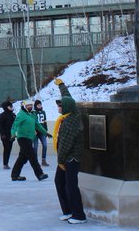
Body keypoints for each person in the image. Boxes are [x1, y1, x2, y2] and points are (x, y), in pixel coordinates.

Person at [53, 78, 87, 224]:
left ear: (66, 108)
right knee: (59, 181)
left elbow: (65, 144)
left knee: (71, 185)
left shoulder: (69, 123)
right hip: (66, 157)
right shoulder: (72, 112)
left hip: (70, 158)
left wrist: (60, 161)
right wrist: (61, 85)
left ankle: (79, 215)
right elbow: (69, 98)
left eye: (60, 106)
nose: (58, 108)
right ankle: (68, 211)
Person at [11, 99, 49, 182]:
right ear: (24, 106)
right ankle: (40, 174)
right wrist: (13, 134)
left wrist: (46, 133)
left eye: (30, 105)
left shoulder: (32, 114)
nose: (29, 107)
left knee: (22, 158)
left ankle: (15, 175)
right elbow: (15, 125)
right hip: (23, 138)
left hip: (29, 139)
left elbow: (37, 125)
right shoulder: (21, 115)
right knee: (32, 157)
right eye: (28, 105)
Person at [0, 100, 16, 169]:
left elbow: (16, 124)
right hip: (5, 136)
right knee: (6, 149)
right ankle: (5, 164)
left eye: (11, 106)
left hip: (12, 135)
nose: (11, 107)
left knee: (9, 149)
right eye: (9, 106)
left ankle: (6, 163)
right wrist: (2, 134)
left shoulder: (13, 115)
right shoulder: (2, 115)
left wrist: (15, 133)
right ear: (6, 107)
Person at [33, 99, 50, 166]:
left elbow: (45, 122)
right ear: (35, 106)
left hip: (42, 132)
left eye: (40, 105)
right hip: (35, 133)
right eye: (38, 105)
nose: (39, 106)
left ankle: (43, 160)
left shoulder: (43, 112)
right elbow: (32, 123)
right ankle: (35, 161)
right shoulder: (33, 113)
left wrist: (46, 131)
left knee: (45, 145)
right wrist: (33, 130)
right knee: (35, 146)